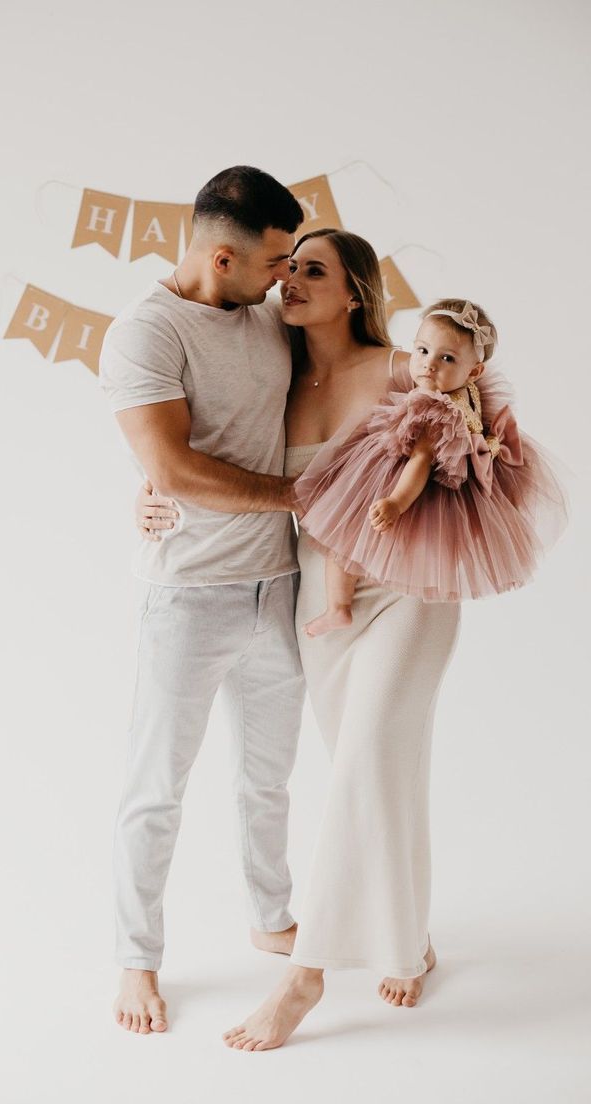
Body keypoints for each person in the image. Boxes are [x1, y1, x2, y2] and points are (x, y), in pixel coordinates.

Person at [139, 229, 479, 1049]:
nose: (289, 280)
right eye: (287, 267)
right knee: (380, 769)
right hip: (320, 606)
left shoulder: (406, 367)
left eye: (311, 270)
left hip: (407, 593)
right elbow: (200, 444)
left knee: (365, 757)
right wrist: (149, 492)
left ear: (354, 292)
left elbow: (477, 426)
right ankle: (406, 936)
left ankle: (306, 978)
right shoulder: (274, 370)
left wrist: (431, 493)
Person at [100, 166, 308, 1036]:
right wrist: (292, 497)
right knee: (157, 790)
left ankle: (270, 916)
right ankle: (136, 962)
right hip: (189, 597)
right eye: (275, 261)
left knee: (269, 781)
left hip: (281, 591)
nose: (286, 277)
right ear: (222, 258)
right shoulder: (143, 334)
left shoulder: (269, 315)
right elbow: (176, 466)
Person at [297, 299, 567, 636]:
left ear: (473, 371)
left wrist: (396, 502)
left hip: (396, 481)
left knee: (342, 540)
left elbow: (421, 460)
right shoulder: (470, 394)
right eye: (422, 351)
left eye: (447, 358)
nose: (428, 366)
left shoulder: (432, 407)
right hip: (439, 481)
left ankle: (338, 608)